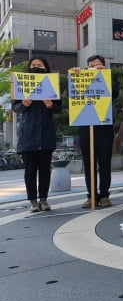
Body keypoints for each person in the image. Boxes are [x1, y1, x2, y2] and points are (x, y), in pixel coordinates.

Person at [11, 57, 61, 212]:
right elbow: (15, 107)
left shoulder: (52, 85)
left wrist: (50, 105)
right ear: (29, 68)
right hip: (28, 135)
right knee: (30, 171)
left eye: (40, 65)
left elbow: (59, 108)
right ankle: (32, 201)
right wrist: (23, 105)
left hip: (46, 134)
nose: (36, 67)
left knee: (45, 169)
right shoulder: (22, 84)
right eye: (33, 65)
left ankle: (44, 200)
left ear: (46, 68)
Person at [74, 55, 118, 208]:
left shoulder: (107, 79)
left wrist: (105, 74)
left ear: (104, 66)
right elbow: (73, 96)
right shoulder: (81, 77)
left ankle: (104, 195)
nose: (94, 68)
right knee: (88, 163)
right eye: (91, 65)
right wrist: (75, 75)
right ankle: (91, 195)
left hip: (104, 127)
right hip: (86, 127)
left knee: (105, 163)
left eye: (98, 65)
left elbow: (116, 93)